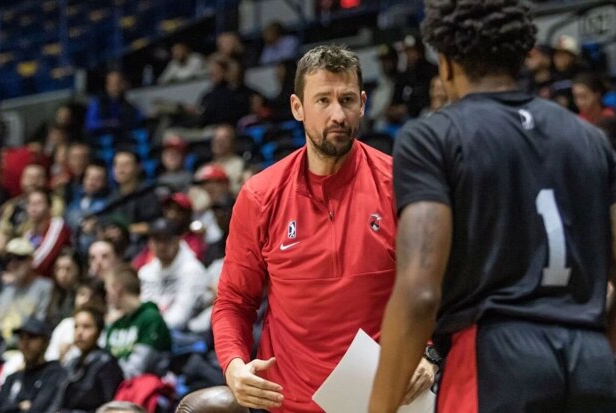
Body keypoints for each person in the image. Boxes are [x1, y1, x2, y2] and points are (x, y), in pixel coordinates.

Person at [370, 1, 616, 412]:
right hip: (590, 358)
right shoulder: (591, 140)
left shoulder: (435, 136)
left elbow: (419, 292)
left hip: (495, 358)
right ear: (521, 53)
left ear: (445, 63)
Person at [212, 45, 435, 412]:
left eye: (347, 100)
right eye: (323, 101)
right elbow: (234, 301)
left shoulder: (401, 185)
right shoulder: (260, 196)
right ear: (297, 107)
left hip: (389, 402)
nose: (338, 114)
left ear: (363, 104)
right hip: (289, 403)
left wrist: (430, 354)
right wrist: (234, 365)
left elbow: (440, 288)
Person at [138, 217, 211, 331]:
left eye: (166, 240)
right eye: (157, 240)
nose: (162, 246)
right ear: (150, 243)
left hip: (188, 334)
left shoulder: (192, 269)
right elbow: (146, 308)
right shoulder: (146, 272)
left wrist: (153, 329)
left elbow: (182, 315)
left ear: (177, 240)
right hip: (157, 332)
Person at [51, 305, 124, 413]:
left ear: (99, 332)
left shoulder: (107, 364)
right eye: (76, 327)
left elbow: (110, 407)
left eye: (86, 327)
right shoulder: (72, 363)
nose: (79, 333)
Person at [104, 265, 171, 379]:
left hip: (142, 389)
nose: (106, 297)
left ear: (117, 289)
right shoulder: (115, 324)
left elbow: (136, 370)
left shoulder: (151, 318)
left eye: (108, 290)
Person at [0, 318, 67, 412]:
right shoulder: (12, 378)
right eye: (21, 337)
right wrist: (19, 407)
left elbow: (39, 408)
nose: (25, 343)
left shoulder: (53, 373)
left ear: (45, 342)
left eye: (32, 337)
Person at [0, 238, 53, 347]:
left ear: (31, 260)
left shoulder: (45, 288)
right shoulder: (3, 294)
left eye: (20, 258)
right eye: (9, 259)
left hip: (27, 349)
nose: (13, 264)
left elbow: (40, 326)